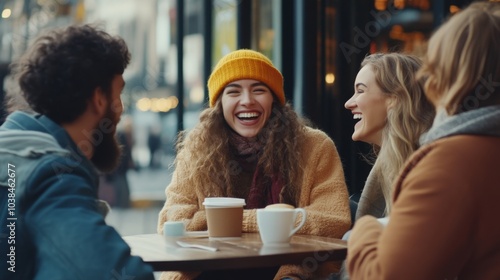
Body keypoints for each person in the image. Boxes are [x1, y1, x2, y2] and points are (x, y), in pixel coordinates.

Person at [157, 49, 351, 280]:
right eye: (233, 92)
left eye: (259, 90)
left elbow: (334, 220)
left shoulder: (314, 146)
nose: (247, 101)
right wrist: (271, 223)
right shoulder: (196, 151)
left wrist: (227, 221)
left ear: (274, 100)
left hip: (285, 273)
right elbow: (171, 222)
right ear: (219, 104)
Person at [347, 2, 500, 279]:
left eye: (435, 64)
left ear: (451, 73)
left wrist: (367, 228)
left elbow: (385, 275)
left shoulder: (450, 162)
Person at [0, 24, 154, 279]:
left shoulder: (12, 151)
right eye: (119, 94)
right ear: (99, 99)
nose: (121, 109)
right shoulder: (47, 176)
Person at [344, 53, 434, 219]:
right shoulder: (394, 161)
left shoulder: (430, 164)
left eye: (360, 91)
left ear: (394, 99)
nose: (348, 103)